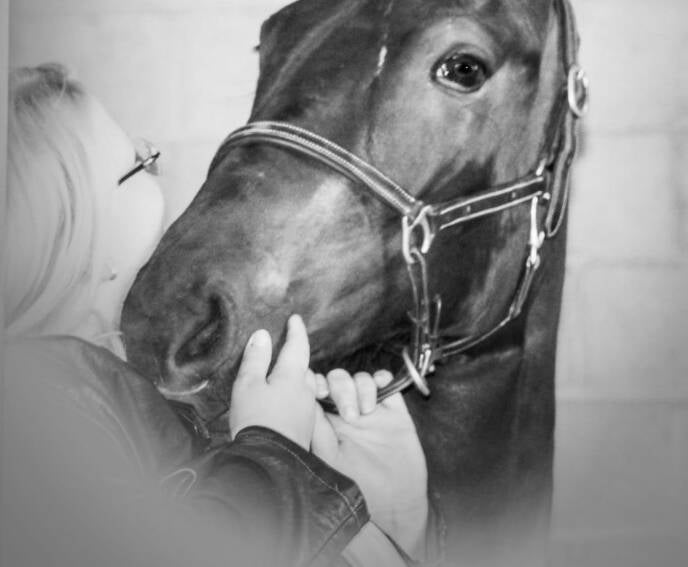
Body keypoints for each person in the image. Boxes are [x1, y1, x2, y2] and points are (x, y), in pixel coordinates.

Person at [1, 63, 439, 567]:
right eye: (139, 165)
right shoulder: (41, 407)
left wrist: (393, 522)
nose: (155, 163)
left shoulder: (111, 386)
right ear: (79, 244)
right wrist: (273, 450)